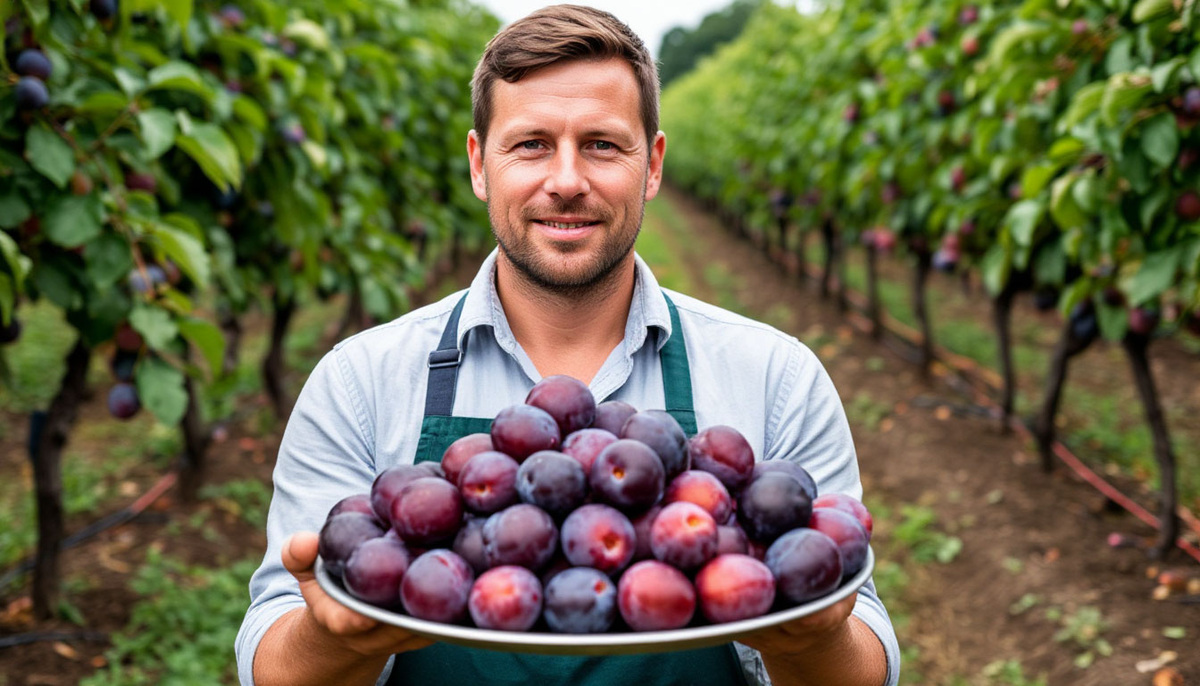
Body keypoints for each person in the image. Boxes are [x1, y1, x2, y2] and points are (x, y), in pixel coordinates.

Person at [235, 5, 900, 685]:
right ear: (478, 164)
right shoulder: (362, 381)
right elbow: (275, 664)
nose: (566, 180)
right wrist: (338, 637)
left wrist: (806, 638)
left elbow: (862, 661)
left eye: (603, 145)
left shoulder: (775, 376)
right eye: (530, 145)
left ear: (653, 165)